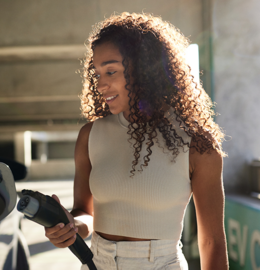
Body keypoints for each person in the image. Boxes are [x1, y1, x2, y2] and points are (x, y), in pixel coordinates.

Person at [44, 12, 228, 270]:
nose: (101, 84)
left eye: (111, 71)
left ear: (144, 68)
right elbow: (85, 212)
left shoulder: (198, 145)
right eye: (97, 74)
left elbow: (212, 243)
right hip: (97, 263)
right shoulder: (90, 135)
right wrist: (70, 226)